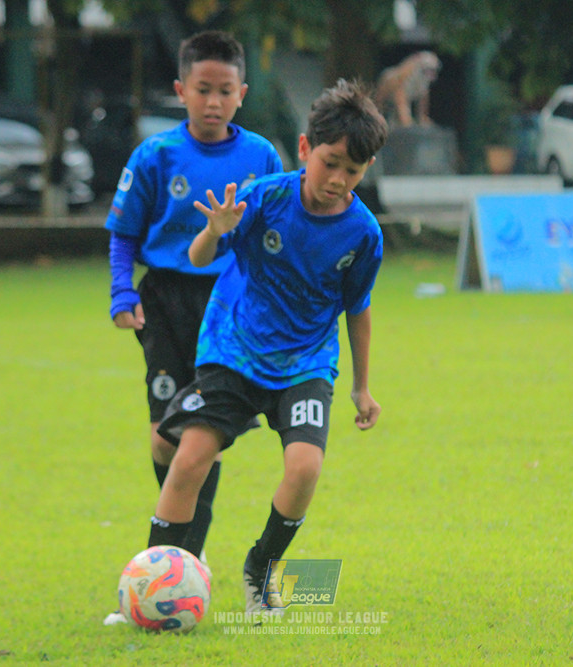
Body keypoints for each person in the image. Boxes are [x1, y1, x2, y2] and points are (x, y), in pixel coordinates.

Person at [144, 79, 389, 617]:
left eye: (354, 170)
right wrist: (216, 230)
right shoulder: (265, 197)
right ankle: (157, 582)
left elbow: (359, 308)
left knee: (304, 468)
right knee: (186, 459)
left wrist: (362, 385)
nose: (339, 179)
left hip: (306, 362)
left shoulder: (363, 233)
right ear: (305, 149)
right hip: (234, 350)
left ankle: (260, 569)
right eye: (331, 163)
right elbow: (201, 253)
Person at [105, 32, 283, 580]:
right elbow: (124, 232)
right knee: (165, 438)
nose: (213, 101)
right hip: (164, 301)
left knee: (202, 434)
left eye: (224, 90)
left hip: (228, 304)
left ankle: (184, 557)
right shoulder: (155, 155)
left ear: (241, 94)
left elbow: (276, 233)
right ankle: (185, 547)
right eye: (202, 89)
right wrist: (122, 291)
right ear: (181, 90)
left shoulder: (260, 156)